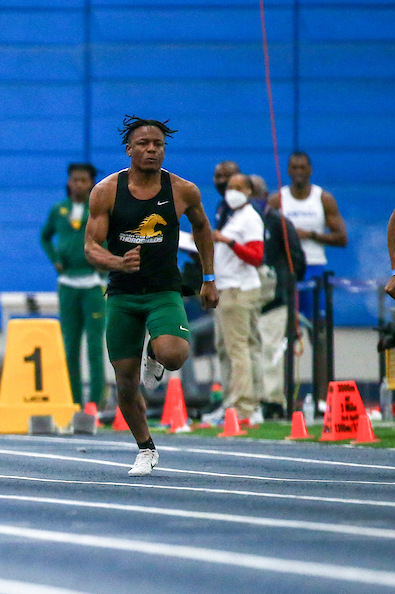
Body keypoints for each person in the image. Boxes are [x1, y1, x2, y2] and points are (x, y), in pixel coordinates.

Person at [84, 116, 217, 476]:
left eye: (158, 144)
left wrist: (209, 278)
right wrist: (116, 261)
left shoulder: (182, 190)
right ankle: (146, 448)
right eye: (143, 144)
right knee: (125, 382)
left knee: (174, 354)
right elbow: (91, 246)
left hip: (162, 290)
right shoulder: (107, 190)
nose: (151, 149)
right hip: (123, 295)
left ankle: (156, 353)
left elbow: (203, 229)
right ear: (129, 150)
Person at [40, 162, 106, 409]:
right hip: (67, 284)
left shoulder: (99, 209)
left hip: (93, 284)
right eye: (74, 180)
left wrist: (105, 262)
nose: (78, 184)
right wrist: (55, 258)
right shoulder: (59, 210)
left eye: (83, 180)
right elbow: (44, 237)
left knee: (95, 346)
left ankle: (96, 402)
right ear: (68, 182)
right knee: (70, 345)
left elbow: (111, 238)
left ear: (91, 183)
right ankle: (74, 401)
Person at [209, 173, 266, 425]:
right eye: (229, 187)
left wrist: (228, 241)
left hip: (237, 290)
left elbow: (256, 256)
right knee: (240, 347)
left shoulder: (250, 219)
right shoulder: (233, 216)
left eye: (238, 187)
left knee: (238, 348)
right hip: (229, 288)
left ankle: (242, 406)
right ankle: (244, 404)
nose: (232, 191)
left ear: (249, 191)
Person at [269, 151, 348, 316]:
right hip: (287, 268)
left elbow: (342, 238)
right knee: (285, 321)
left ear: (310, 170)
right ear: (288, 170)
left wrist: (311, 235)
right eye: (294, 167)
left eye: (302, 168)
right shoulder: (277, 200)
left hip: (314, 266)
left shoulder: (323, 199)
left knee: (317, 323)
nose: (298, 172)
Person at [252, 175, 305, 418]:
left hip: (275, 297)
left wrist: (285, 285)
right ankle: (251, 399)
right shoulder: (238, 221)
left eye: (255, 195)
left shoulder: (278, 222)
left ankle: (273, 401)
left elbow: (297, 259)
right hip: (248, 296)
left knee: (271, 350)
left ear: (265, 197)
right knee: (249, 349)